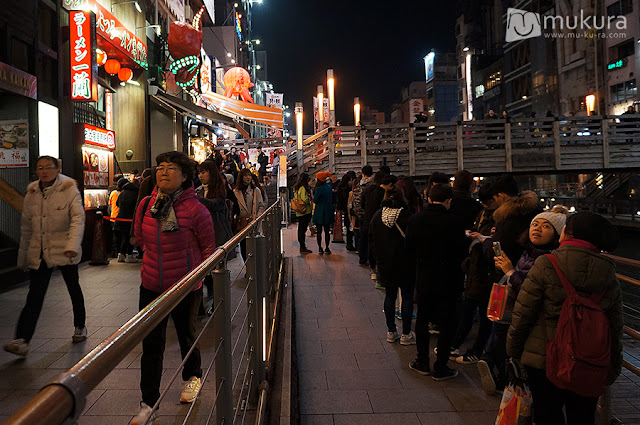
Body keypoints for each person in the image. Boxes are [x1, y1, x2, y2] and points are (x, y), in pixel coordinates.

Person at [507, 212, 623, 425]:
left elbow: (523, 313)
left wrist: (513, 352)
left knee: (547, 413)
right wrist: (613, 365)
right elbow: (614, 324)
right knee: (583, 415)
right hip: (589, 360)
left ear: (568, 234)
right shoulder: (608, 272)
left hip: (543, 358)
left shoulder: (546, 263)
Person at [130, 151, 215, 425]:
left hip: (185, 287)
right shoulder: (146, 204)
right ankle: (148, 403)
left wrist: (195, 279)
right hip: (151, 285)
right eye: (160, 168)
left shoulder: (196, 210)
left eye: (171, 169)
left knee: (186, 335)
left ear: (185, 177)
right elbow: (139, 238)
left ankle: (192, 376)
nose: (163, 172)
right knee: (151, 344)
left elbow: (209, 251)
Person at [4, 156, 87, 357]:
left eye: (48, 167)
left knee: (73, 288)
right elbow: (26, 227)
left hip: (64, 248)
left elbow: (78, 219)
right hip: (40, 251)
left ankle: (80, 326)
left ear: (57, 168)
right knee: (34, 296)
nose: (44, 171)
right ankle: (22, 340)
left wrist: (72, 246)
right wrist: (23, 258)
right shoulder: (32, 192)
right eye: (40, 168)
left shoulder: (68, 189)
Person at [476, 175, 541, 394]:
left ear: (501, 195)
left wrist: (487, 242)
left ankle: (499, 368)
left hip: (508, 278)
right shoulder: (533, 211)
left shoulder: (509, 217)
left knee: (502, 324)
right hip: (533, 277)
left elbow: (497, 250)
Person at [406, 184, 467, 380]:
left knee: (423, 319)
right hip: (450, 279)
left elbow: (409, 249)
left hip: (425, 276)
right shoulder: (455, 222)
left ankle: (422, 361)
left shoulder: (415, 220)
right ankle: (441, 366)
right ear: (449, 200)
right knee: (447, 323)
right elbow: (462, 252)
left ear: (429, 199)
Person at [452, 184, 497, 364]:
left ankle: (478, 351)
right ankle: (459, 344)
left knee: (486, 314)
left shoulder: (499, 219)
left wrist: (483, 239)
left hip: (488, 271)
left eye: (489, 202)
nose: (486, 206)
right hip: (476, 267)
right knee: (470, 307)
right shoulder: (482, 212)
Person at [369, 186, 415, 345]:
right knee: (407, 297)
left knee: (390, 295)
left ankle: (391, 331)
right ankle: (406, 334)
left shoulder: (377, 216)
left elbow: (372, 240)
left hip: (385, 264)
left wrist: (375, 261)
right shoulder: (407, 216)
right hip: (406, 263)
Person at [234, 168, 265, 262]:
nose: (248, 177)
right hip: (242, 223)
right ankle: (248, 267)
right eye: (245, 175)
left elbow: (261, 205)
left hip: (253, 222)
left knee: (254, 245)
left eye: (249, 175)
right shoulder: (236, 192)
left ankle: (254, 268)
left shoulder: (256, 191)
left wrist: (257, 218)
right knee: (243, 246)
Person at [353, 165, 374, 266]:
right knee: (371, 238)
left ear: (363, 174)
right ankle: (371, 260)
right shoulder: (374, 186)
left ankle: (362, 259)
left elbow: (356, 202)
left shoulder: (358, 186)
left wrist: (358, 214)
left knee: (362, 237)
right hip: (371, 215)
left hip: (360, 216)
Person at [115, 177, 140, 263]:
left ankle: (121, 255)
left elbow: (117, 204)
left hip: (120, 217)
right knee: (129, 237)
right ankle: (129, 255)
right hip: (130, 218)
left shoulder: (123, 192)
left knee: (123, 237)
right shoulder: (136, 193)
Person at [312, 171, 334, 254]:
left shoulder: (318, 189)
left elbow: (315, 200)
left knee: (319, 231)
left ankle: (320, 248)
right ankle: (327, 248)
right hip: (328, 210)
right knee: (327, 231)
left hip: (320, 211)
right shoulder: (329, 187)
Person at [293, 173, 313, 254]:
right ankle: (302, 246)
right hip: (305, 211)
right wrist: (309, 198)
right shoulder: (302, 188)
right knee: (302, 229)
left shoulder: (296, 188)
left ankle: (302, 245)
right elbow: (305, 199)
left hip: (299, 211)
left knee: (301, 228)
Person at [336, 173, 355, 250]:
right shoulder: (348, 190)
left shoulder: (340, 187)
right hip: (349, 209)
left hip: (343, 209)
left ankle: (349, 243)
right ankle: (350, 244)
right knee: (350, 226)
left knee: (348, 227)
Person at [108, 176, 122, 258]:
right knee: (121, 236)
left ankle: (114, 252)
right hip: (121, 217)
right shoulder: (123, 193)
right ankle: (121, 251)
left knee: (114, 235)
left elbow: (109, 205)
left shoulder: (113, 193)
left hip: (113, 217)